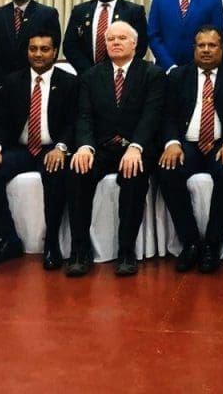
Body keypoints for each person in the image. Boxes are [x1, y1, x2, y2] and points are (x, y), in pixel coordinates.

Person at [67, 21, 165, 277]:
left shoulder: (152, 74)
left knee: (133, 174)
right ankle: (79, 251)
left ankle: (126, 251)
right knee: (78, 172)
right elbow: (84, 116)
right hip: (102, 147)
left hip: (136, 146)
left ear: (135, 44)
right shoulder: (91, 76)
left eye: (122, 38)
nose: (116, 43)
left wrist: (137, 147)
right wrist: (85, 146)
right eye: (111, 39)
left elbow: (152, 116)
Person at [0, 30, 78, 270]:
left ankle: (52, 242)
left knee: (55, 173)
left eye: (44, 49)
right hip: (21, 149)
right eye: (33, 49)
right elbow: (1, 123)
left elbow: (73, 123)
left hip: (52, 149)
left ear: (55, 52)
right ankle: (7, 239)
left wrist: (62, 148)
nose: (38, 54)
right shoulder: (13, 82)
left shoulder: (70, 83)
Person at [156, 26, 223, 273]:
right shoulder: (177, 77)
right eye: (201, 45)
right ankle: (190, 243)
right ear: (194, 48)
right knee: (167, 171)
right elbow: (168, 116)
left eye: (212, 45)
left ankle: (212, 244)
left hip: (221, 144)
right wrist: (173, 143)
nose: (206, 50)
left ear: (222, 48)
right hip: (188, 145)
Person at [62, 0, 147, 73]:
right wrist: (90, 72)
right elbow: (70, 46)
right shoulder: (80, 11)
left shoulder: (134, 11)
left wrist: (115, 70)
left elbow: (140, 47)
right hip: (86, 77)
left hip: (121, 77)